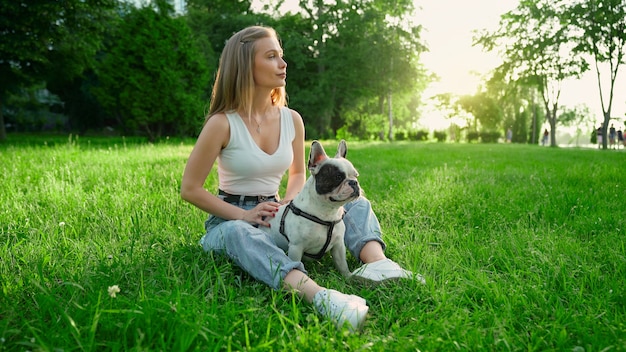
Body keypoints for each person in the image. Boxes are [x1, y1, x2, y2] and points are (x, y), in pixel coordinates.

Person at [180, 26, 420, 332]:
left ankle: (377, 264)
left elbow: (296, 173)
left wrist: (290, 203)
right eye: (271, 56)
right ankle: (322, 297)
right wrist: (244, 215)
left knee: (355, 204)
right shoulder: (222, 123)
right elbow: (190, 189)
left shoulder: (291, 119)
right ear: (244, 65)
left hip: (277, 212)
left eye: (281, 55)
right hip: (231, 218)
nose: (283, 63)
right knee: (239, 234)